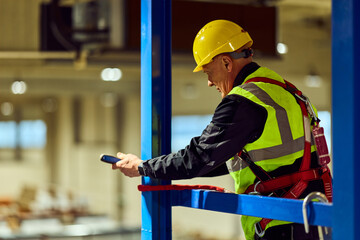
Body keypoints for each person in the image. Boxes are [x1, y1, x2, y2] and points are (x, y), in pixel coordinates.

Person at [112, 19, 332, 240]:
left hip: (282, 222)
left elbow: (200, 156)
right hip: (313, 215)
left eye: (208, 71)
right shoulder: (287, 91)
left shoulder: (244, 102)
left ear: (227, 63)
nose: (209, 82)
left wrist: (143, 167)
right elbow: (225, 158)